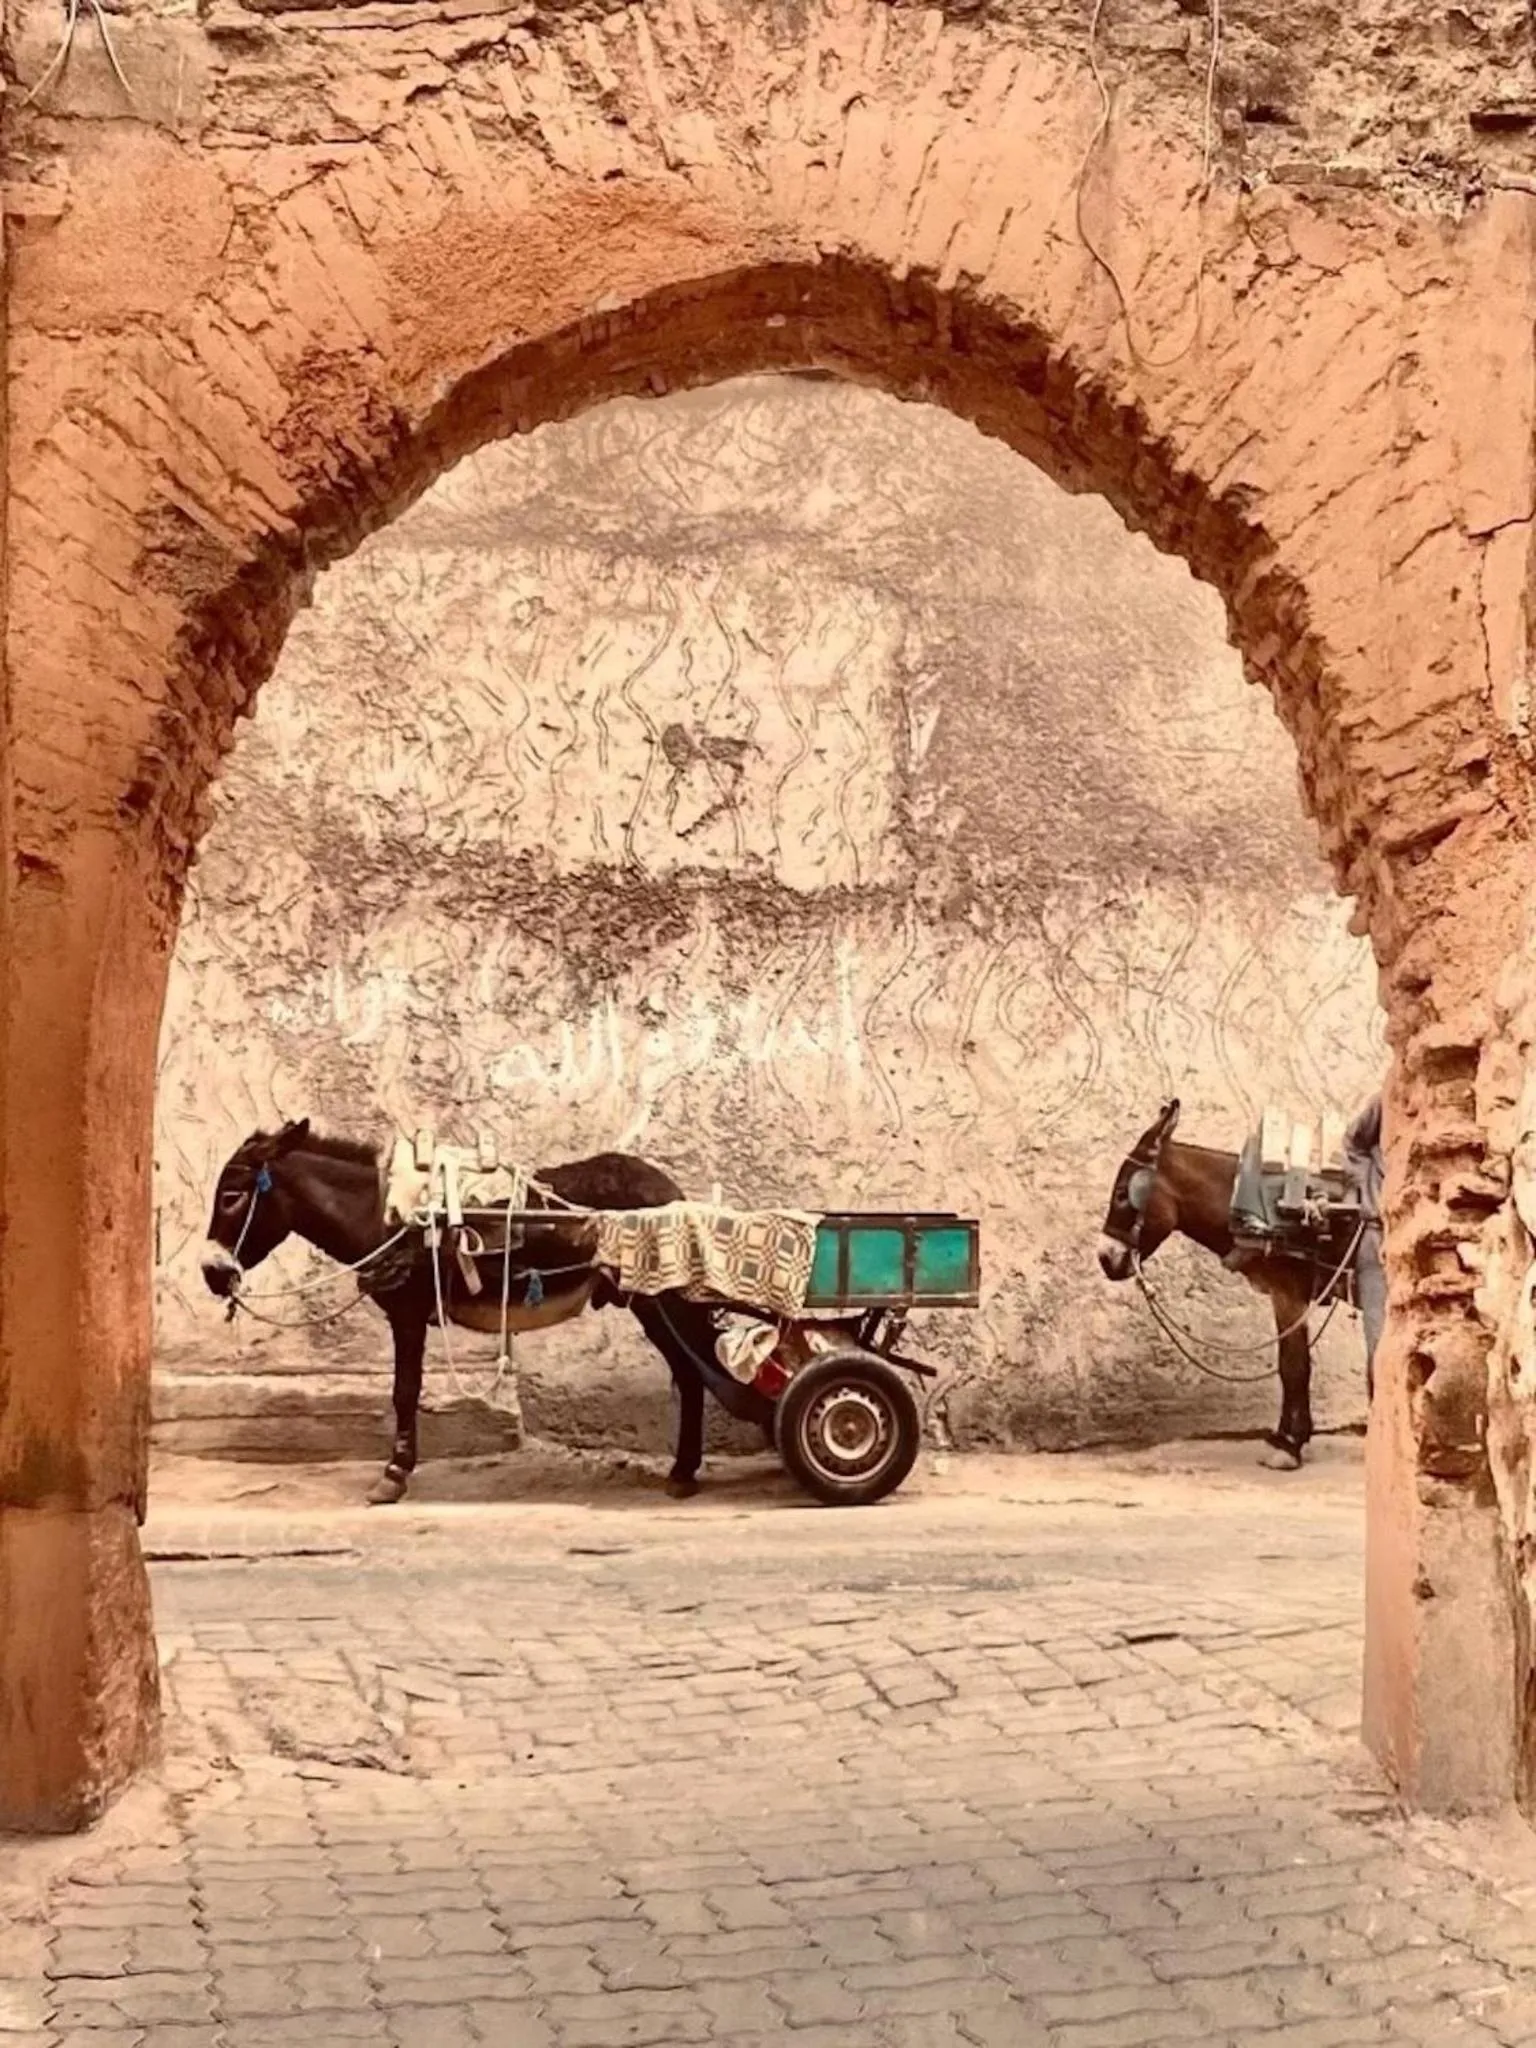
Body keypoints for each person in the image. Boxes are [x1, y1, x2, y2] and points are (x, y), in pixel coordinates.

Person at [1343, 1091, 1385, 1397]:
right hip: (1378, 1236)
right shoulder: (1386, 1100)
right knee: (1381, 1341)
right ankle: (1381, 1424)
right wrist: (1369, 1191)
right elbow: (1353, 1141)